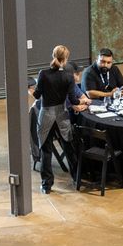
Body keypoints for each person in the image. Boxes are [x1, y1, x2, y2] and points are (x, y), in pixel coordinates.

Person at [30, 44, 80, 194]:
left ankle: (46, 185)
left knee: (46, 150)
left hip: (45, 115)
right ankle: (77, 179)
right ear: (66, 59)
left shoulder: (43, 74)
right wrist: (82, 103)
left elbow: (37, 95)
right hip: (62, 116)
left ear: (53, 55)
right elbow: (73, 100)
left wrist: (31, 90)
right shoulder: (68, 77)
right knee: (69, 148)